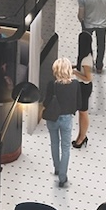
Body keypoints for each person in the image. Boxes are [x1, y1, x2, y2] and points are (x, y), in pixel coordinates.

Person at [42, 59, 78, 188]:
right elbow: (77, 101)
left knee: (54, 143)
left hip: (52, 117)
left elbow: (46, 102)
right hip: (66, 118)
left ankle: (56, 168)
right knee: (66, 147)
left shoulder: (52, 84)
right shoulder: (75, 84)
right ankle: (63, 177)